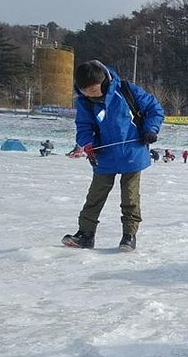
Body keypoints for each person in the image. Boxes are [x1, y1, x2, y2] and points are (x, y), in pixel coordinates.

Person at [62, 60, 164, 252]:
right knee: (94, 196)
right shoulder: (84, 102)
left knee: (130, 198)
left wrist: (150, 129)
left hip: (132, 153)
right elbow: (84, 127)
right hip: (104, 155)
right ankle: (85, 234)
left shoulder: (126, 90)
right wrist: (89, 145)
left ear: (104, 82)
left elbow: (155, 109)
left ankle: (129, 235)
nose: (90, 94)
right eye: (85, 91)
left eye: (93, 90)